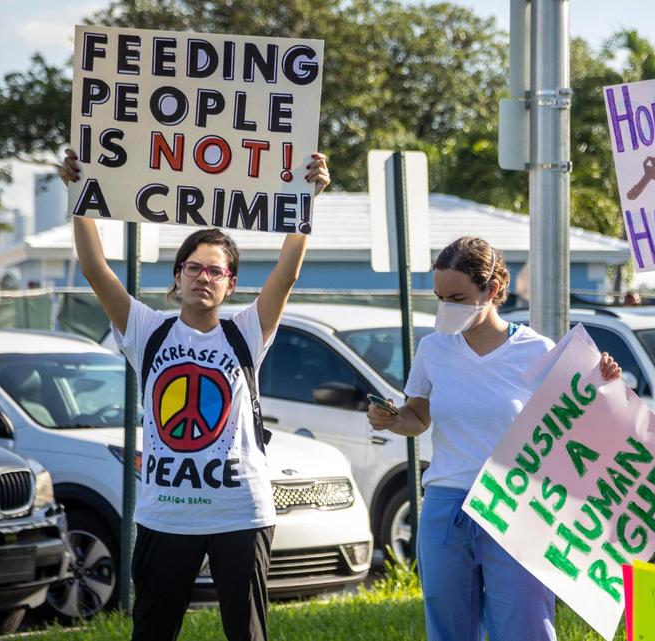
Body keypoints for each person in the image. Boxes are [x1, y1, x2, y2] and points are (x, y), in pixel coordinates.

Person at [59, 148, 329, 641]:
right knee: (153, 631)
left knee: (246, 633)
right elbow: (97, 270)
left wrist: (307, 200)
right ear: (178, 275)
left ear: (230, 285)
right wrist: (79, 197)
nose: (203, 277)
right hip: (165, 511)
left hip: (240, 511)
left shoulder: (245, 332)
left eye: (215, 271)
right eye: (194, 267)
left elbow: (286, 276)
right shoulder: (147, 329)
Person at [366, 236, 622, 641]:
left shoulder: (536, 350)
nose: (445, 307)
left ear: (493, 290)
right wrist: (392, 419)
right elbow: (417, 418)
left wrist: (604, 380)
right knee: (449, 630)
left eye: (457, 297)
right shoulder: (433, 349)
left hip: (516, 506)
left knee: (526, 628)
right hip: (446, 507)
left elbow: (580, 421)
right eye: (439, 297)